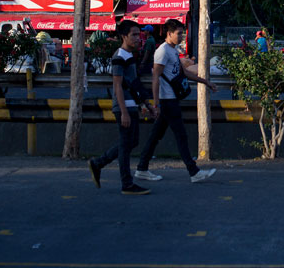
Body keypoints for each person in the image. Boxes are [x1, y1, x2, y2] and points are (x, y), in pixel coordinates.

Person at [135, 19, 218, 184]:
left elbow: (184, 73)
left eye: (182, 33)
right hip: (167, 101)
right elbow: (155, 78)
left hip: (171, 100)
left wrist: (206, 82)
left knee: (155, 136)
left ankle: (142, 168)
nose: (181, 36)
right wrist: (156, 104)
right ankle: (193, 171)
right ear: (169, 33)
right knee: (181, 135)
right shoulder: (162, 51)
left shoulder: (173, 51)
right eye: (179, 33)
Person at [88, 20, 156, 195]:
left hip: (132, 105)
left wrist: (146, 104)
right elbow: (117, 85)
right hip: (123, 107)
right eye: (133, 35)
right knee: (126, 145)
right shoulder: (119, 57)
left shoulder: (129, 56)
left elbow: (133, 84)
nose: (137, 38)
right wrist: (124, 111)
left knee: (131, 142)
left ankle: (98, 163)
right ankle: (127, 183)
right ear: (124, 36)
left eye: (138, 34)